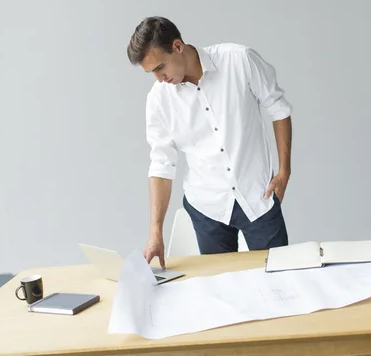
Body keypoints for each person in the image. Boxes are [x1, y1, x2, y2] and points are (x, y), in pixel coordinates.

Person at [126, 16, 293, 268]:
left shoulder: (239, 60)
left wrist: (284, 172)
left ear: (178, 47)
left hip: (258, 196)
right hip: (207, 207)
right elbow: (162, 164)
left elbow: (278, 108)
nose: (159, 78)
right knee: (219, 292)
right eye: (152, 73)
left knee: (282, 278)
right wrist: (155, 232)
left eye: (161, 67)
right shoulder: (159, 100)